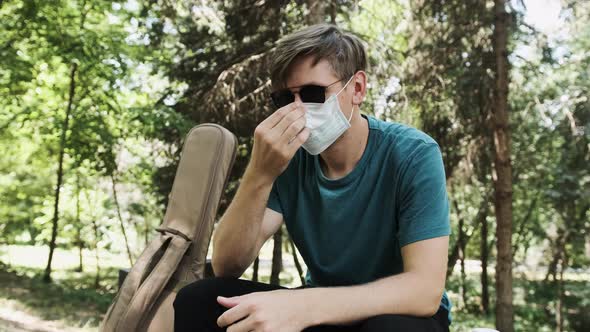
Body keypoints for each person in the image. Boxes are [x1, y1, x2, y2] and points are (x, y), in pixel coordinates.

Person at [173, 23, 452, 332]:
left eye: (312, 93)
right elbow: (227, 265)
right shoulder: (288, 158)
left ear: (357, 88)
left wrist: (307, 305)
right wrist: (259, 172)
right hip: (319, 309)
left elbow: (425, 291)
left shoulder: (413, 154)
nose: (298, 109)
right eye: (284, 99)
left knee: (390, 329)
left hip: (400, 314)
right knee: (199, 300)